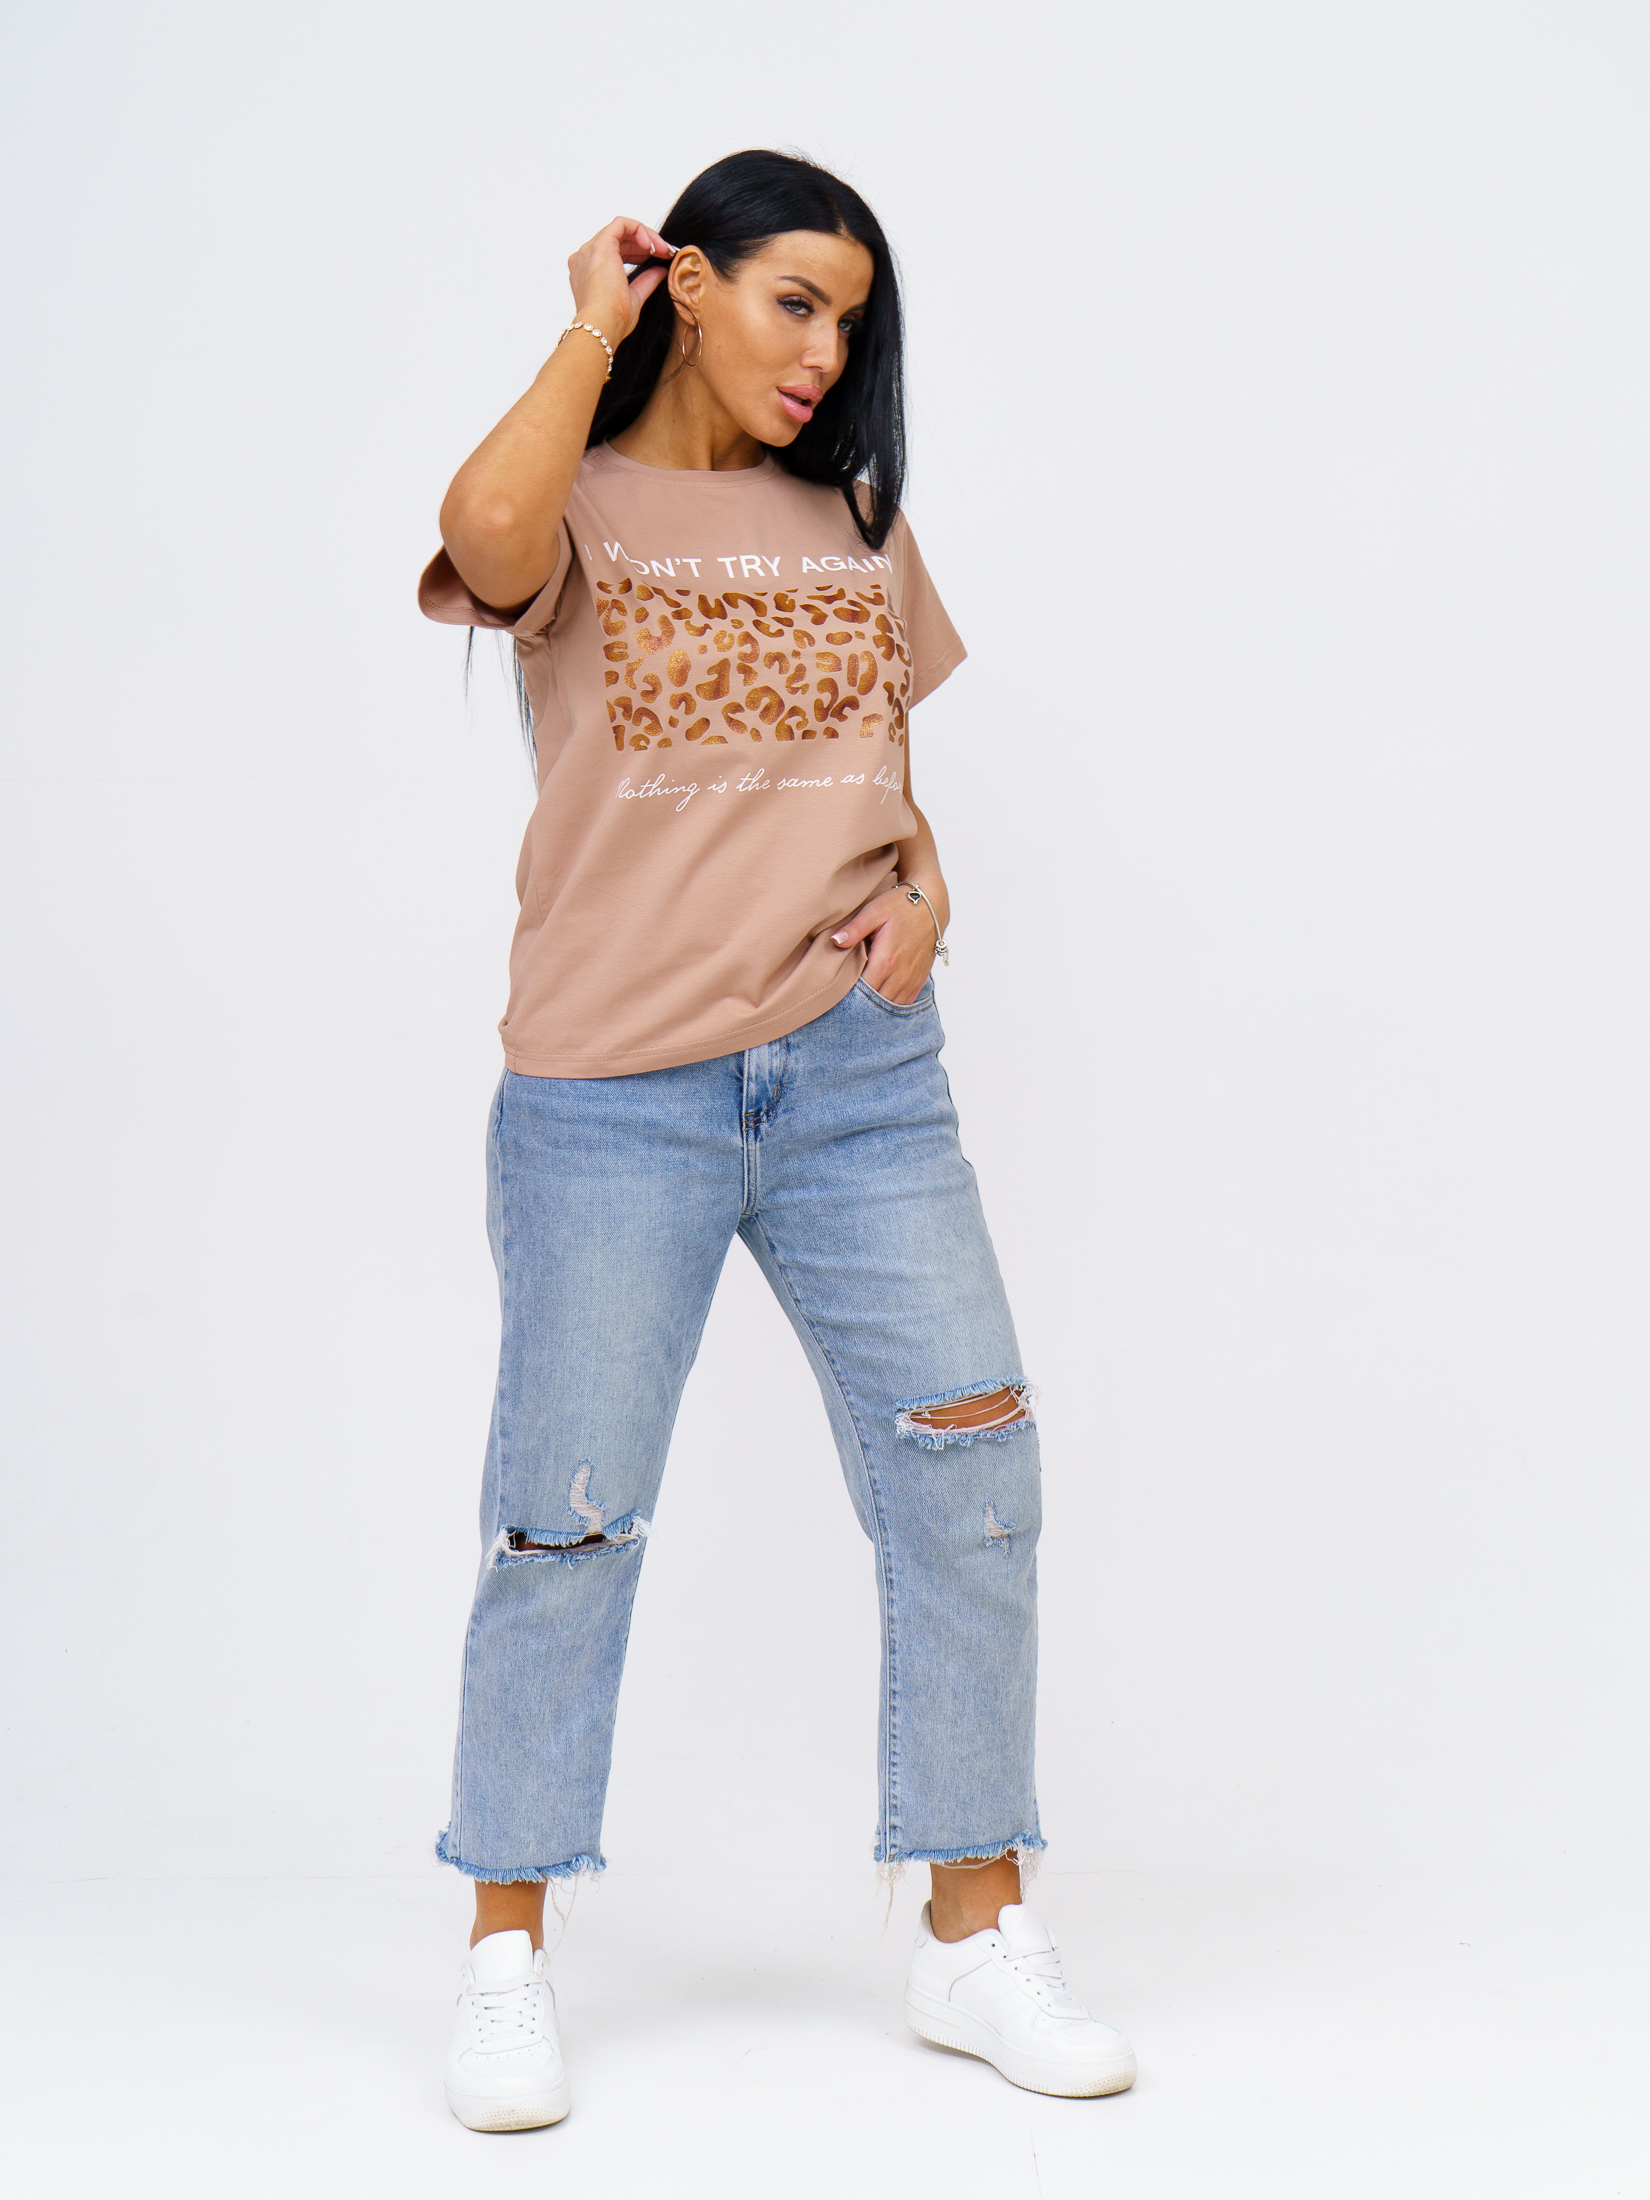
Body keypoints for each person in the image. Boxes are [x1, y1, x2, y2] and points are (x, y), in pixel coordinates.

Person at [418, 148, 1136, 2130]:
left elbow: (875, 766)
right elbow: (480, 542)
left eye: (849, 319)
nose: (824, 352)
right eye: (791, 300)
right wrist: (583, 328)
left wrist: (928, 889)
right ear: (688, 283)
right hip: (612, 1095)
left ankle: (974, 1932)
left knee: (973, 1474)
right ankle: (504, 1955)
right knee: (566, 1519)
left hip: (858, 1087)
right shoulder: (575, 496)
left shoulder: (856, 518)